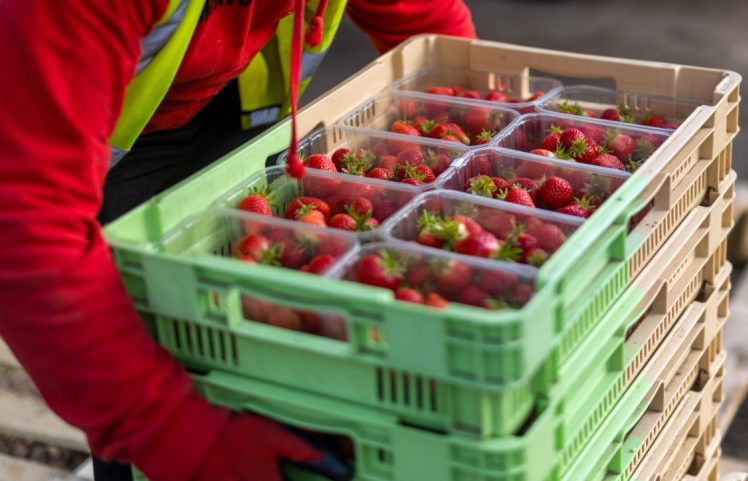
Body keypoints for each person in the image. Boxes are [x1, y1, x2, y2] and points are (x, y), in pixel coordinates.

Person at [0, 1, 476, 480]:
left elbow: (427, 20)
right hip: (97, 124)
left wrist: (472, 125)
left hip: (229, 99)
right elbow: (26, 224)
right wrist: (173, 433)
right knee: (135, 326)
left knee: (242, 325)